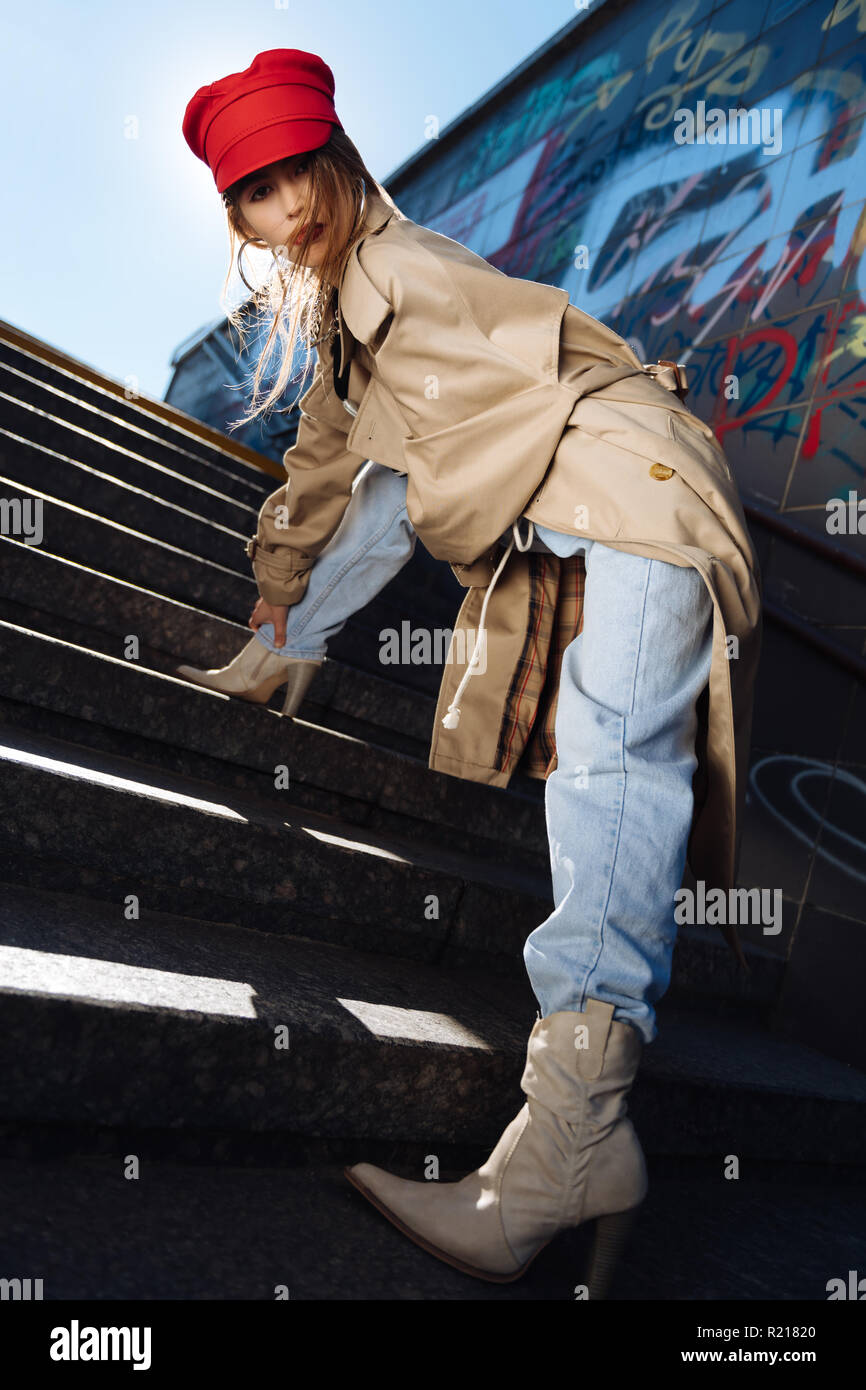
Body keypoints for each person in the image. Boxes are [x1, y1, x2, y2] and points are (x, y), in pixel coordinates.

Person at [179, 48, 761, 1294]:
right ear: (236, 217)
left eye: (299, 178)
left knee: (609, 775)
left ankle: (563, 1146)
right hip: (623, 487)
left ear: (335, 164)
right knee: (607, 773)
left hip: (628, 487)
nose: (289, 212)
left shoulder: (393, 276)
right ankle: (574, 1144)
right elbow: (330, 458)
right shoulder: (361, 306)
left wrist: (293, 633)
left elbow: (382, 492)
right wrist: (283, 611)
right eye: (258, 196)